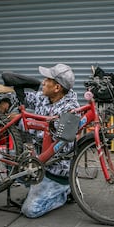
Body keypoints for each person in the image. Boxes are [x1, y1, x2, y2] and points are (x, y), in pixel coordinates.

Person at [20, 63, 80, 218]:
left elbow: (64, 148)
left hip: (56, 170)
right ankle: (41, 187)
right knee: (18, 171)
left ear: (57, 88)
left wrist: (43, 129)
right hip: (40, 165)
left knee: (30, 210)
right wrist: (7, 100)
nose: (42, 82)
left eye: (47, 80)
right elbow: (27, 99)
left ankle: (63, 193)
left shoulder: (70, 110)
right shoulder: (44, 97)